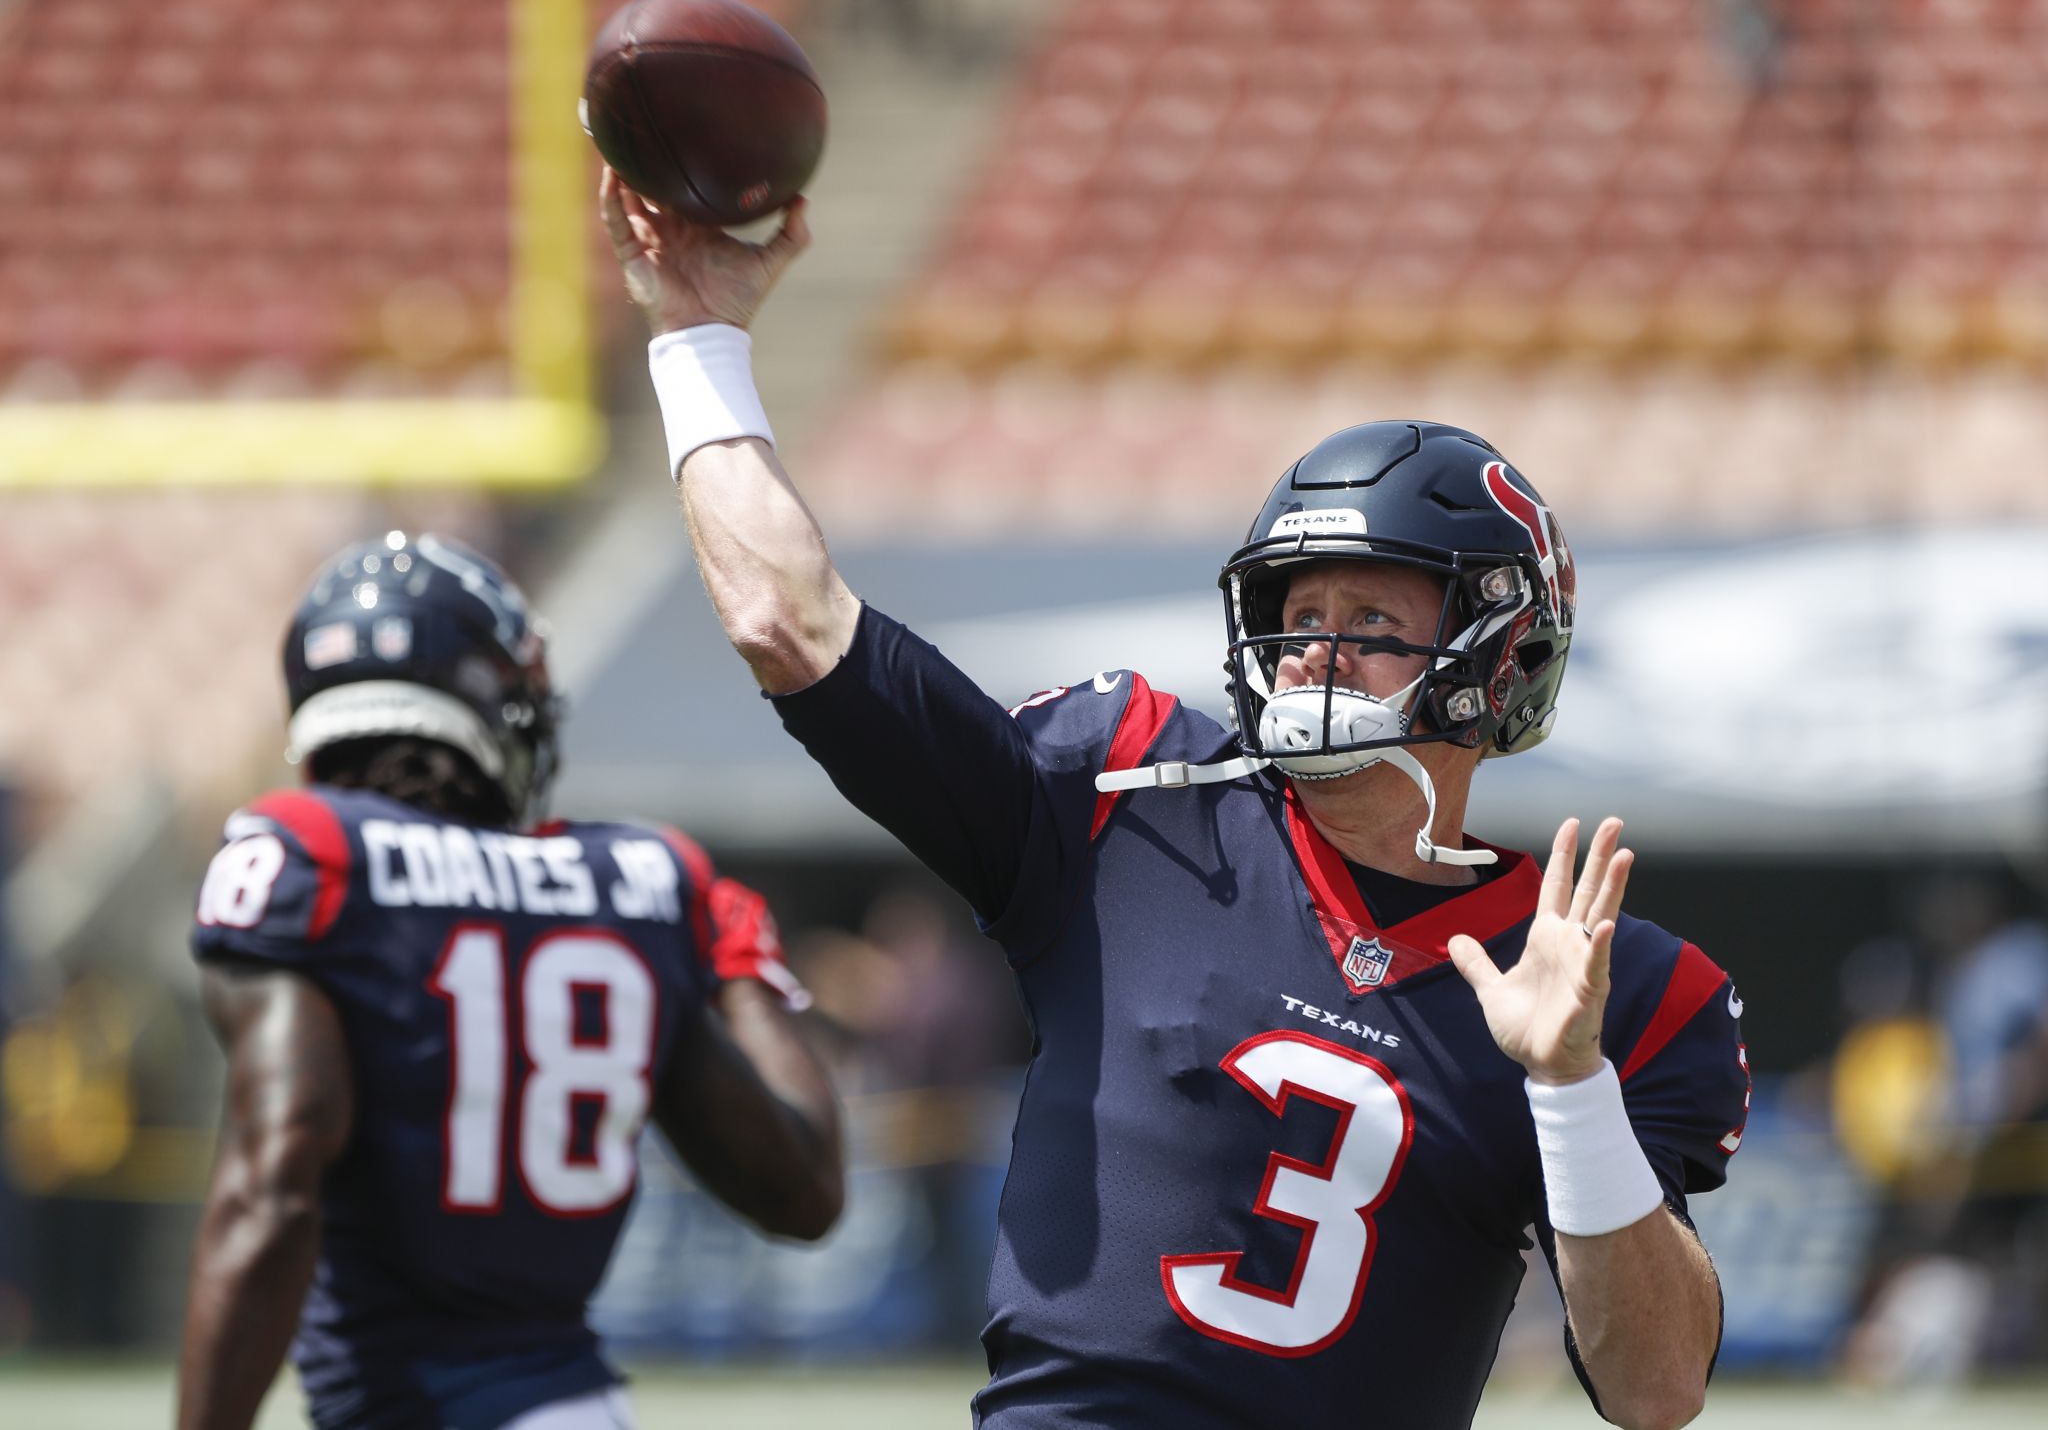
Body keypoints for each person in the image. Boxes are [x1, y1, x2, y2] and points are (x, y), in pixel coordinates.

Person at [600, 171, 1751, 1429]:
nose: (1314, 651)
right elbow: (789, 620)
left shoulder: (1597, 972)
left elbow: (1654, 1387)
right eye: (1297, 613)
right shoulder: (1124, 800)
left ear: (1497, 652)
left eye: (1369, 619)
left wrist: (1572, 1085)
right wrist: (696, 336)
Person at [177, 533, 842, 1430]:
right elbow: (804, 1189)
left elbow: (275, 1179)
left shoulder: (315, 860)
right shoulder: (636, 880)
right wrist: (740, 977)